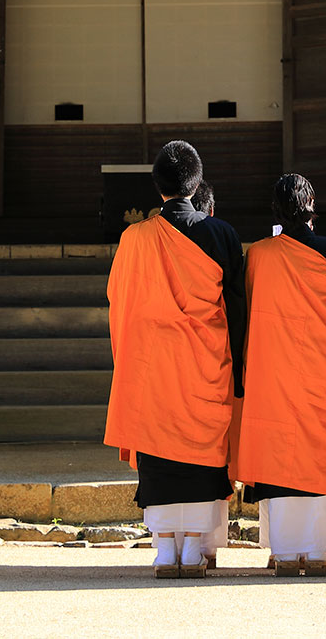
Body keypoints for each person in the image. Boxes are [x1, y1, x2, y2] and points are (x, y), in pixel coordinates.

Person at [105, 141, 248, 578]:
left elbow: (119, 302)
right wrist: (240, 365)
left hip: (152, 368)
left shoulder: (136, 238)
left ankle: (165, 548)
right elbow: (238, 305)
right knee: (203, 453)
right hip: (206, 365)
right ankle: (192, 550)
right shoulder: (220, 233)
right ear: (196, 182)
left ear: (157, 187)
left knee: (160, 454)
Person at [236, 174, 326, 577]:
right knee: (319, 452)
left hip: (274, 370)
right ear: (312, 206)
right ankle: (318, 551)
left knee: (278, 455)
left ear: (276, 210)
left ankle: (286, 551)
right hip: (323, 368)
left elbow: (247, 308)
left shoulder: (258, 254)